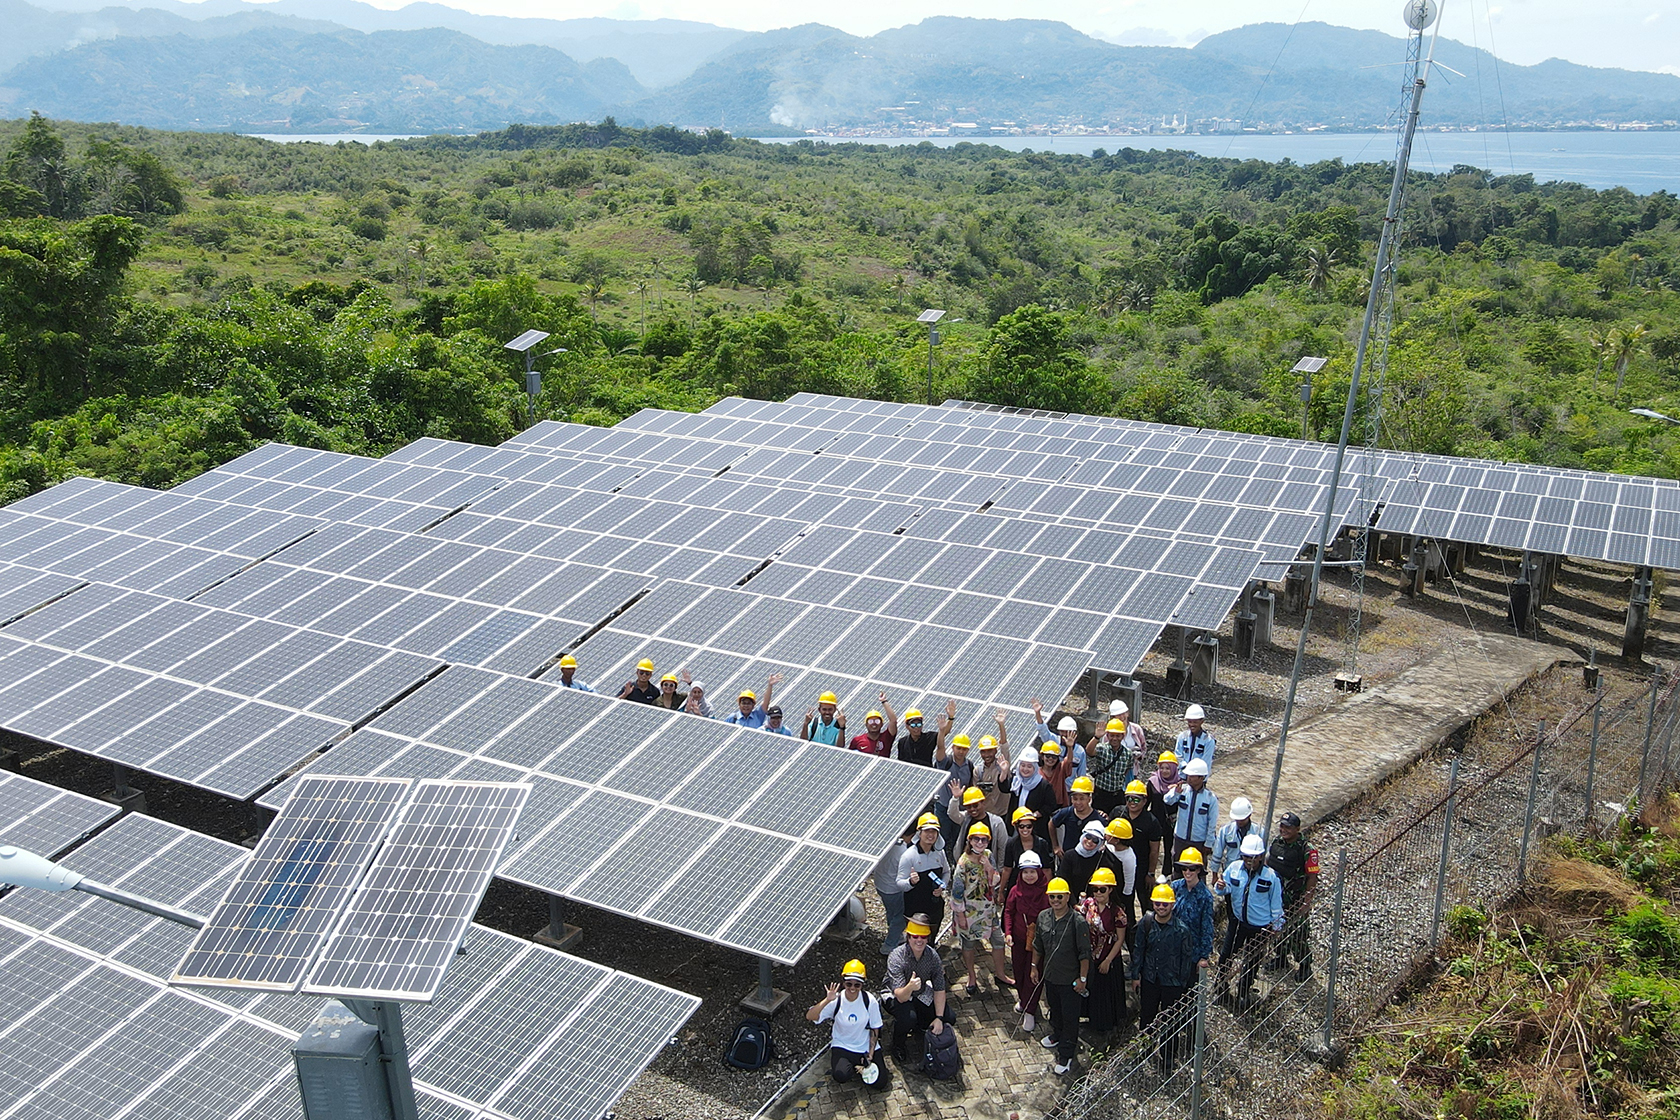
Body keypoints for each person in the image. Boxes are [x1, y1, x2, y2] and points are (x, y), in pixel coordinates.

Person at [1130, 884, 1198, 1070]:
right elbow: (1139, 950)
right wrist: (1136, 975)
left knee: (1170, 1023)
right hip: (1151, 979)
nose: (1161, 907)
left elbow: (1186, 960)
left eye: (1165, 904)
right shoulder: (1146, 923)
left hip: (1172, 984)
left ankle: (1168, 1058)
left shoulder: (1182, 930)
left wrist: (1182, 985)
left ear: (1172, 906)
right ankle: (1144, 1050)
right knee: (1147, 1018)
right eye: (1158, 903)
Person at [1215, 833, 1286, 1010]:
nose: (1249, 860)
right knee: (1226, 955)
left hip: (1260, 927)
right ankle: (1221, 986)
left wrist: (1277, 926)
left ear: (1261, 857)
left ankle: (1243, 992)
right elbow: (1224, 888)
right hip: (1238, 922)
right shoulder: (1234, 868)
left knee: (1252, 960)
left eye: (1253, 857)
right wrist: (1221, 887)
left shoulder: (1271, 877)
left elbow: (1276, 905)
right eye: (1246, 856)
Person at [1032, 876, 1090, 1076]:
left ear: (1067, 897)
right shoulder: (1043, 917)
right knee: (1054, 1009)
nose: (1055, 900)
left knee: (1070, 1017)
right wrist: (1034, 967)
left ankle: (1066, 1054)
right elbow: (1038, 944)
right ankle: (1056, 1034)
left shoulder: (1078, 922)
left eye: (1059, 897)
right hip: (1050, 976)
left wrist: (1082, 979)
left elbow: (1085, 954)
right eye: (1052, 897)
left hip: (1070, 980)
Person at [951, 822, 1011, 994]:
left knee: (998, 940)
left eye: (983, 840)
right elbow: (956, 892)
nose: (979, 843)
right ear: (969, 840)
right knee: (969, 944)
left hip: (988, 910)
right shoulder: (963, 863)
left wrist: (989, 868)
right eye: (976, 839)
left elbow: (995, 880)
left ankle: (1000, 974)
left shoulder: (988, 855)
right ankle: (971, 976)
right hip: (968, 912)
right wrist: (961, 916)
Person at [883, 914, 948, 1062]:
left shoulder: (933, 956)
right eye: (915, 936)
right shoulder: (896, 957)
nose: (919, 940)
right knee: (908, 1018)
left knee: (947, 1016)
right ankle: (898, 1044)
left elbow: (939, 988)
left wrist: (939, 1018)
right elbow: (900, 996)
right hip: (896, 995)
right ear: (908, 937)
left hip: (920, 992)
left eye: (923, 937)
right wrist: (910, 987)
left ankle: (922, 1026)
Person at [808, 959, 883, 1085]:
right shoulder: (836, 1000)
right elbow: (810, 1016)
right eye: (849, 984)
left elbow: (875, 1028)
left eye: (857, 985)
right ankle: (855, 1067)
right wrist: (827, 1000)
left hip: (864, 1046)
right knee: (841, 1075)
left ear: (862, 985)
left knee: (880, 1083)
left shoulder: (869, 1000)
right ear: (843, 983)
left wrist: (870, 1054)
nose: (852, 988)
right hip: (843, 1046)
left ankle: (861, 1066)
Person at [1266, 811, 1320, 981]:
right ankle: (1281, 958)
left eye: (1288, 827)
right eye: (1282, 826)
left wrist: (1307, 900)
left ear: (1297, 829)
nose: (1284, 830)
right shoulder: (1277, 842)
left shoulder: (1307, 850)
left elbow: (1312, 876)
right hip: (1277, 898)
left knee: (1299, 935)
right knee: (1277, 930)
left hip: (1296, 900)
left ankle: (1304, 965)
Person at [1004, 850, 1050, 1032]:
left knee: (1034, 974)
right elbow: (1008, 912)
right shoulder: (1016, 890)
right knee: (1019, 972)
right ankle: (1024, 1000)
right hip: (1018, 939)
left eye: (1032, 871)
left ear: (1039, 872)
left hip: (1038, 943)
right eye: (1025, 872)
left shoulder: (1047, 892)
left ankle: (1030, 1010)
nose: (1029, 876)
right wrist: (1008, 933)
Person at [1080, 866, 1127, 1035]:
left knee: (1105, 994)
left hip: (1108, 958)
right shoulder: (1088, 904)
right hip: (1089, 956)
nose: (1098, 893)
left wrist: (1107, 960)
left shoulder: (1117, 912)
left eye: (1102, 889)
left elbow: (1120, 939)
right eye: (1095, 889)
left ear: (1110, 890)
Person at [897, 813, 949, 939]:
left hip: (934, 906)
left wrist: (942, 886)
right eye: (927, 831)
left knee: (931, 937)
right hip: (914, 907)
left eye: (934, 831)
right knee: (916, 939)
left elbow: (947, 872)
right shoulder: (909, 855)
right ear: (919, 833)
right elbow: (899, 883)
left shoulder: (940, 853)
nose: (930, 835)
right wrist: (911, 882)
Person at [1163, 758, 1219, 866]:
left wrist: (1208, 843)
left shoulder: (1210, 798)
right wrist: (1176, 793)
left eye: (1192, 776)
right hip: (1180, 839)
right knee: (1178, 867)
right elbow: (1167, 800)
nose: (1189, 778)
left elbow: (1212, 823)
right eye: (1188, 775)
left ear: (1201, 778)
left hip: (1199, 842)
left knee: (1197, 870)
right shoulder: (1181, 790)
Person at [873, 822, 915, 955]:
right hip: (893, 889)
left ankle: (895, 935)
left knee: (891, 911)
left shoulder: (888, 841)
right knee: (900, 917)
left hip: (880, 884)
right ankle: (889, 945)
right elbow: (905, 874)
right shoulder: (903, 852)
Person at [1086, 714, 1139, 817]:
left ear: (1123, 736)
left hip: (1117, 795)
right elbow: (1089, 751)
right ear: (1107, 735)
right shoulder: (1102, 748)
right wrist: (1096, 737)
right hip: (1100, 794)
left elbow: (1127, 771)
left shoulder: (1127, 754)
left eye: (1118, 735)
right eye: (1112, 735)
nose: (1115, 738)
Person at [1096, 817, 1138, 941]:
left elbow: (1129, 881)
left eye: (1109, 835)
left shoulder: (1128, 857)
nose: (1106, 835)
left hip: (1121, 893)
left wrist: (1124, 901)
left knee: (1127, 923)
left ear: (1117, 840)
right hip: (1108, 888)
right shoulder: (1109, 847)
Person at [1008, 748, 1059, 847]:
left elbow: (1051, 805)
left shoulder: (1044, 785)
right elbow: (1004, 788)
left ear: (1035, 768)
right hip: (1015, 825)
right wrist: (1004, 771)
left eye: (1029, 766)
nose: (1025, 769)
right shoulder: (1016, 781)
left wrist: (1035, 815)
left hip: (1036, 828)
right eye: (1022, 765)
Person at [1210, 797, 1263, 892]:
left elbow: (1263, 854)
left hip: (1252, 873)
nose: (1239, 822)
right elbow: (1217, 853)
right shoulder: (1226, 830)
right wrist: (1214, 875)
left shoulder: (1258, 832)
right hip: (1231, 873)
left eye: (1242, 819)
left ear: (1249, 815)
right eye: (1237, 819)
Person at [1001, 807, 1053, 898]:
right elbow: (1007, 869)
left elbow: (1046, 869)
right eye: (1022, 826)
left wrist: (1050, 891)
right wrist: (1001, 891)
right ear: (1016, 826)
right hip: (1017, 884)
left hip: (1038, 885)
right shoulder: (1011, 844)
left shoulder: (1042, 843)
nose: (1025, 829)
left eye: (1029, 826)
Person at [1050, 775, 1107, 857]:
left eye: (1082, 799)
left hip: (1089, 859)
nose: (1078, 802)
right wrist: (1055, 846)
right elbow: (1052, 824)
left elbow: (1107, 836)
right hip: (1067, 857)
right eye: (1075, 799)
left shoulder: (1098, 818)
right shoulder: (1067, 812)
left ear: (1089, 799)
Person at [1121, 779, 1164, 889]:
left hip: (1142, 866)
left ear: (1144, 801)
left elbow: (1154, 850)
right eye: (1128, 798)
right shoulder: (1118, 813)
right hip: (1121, 865)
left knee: (1145, 899)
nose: (1131, 802)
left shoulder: (1152, 822)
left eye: (1136, 799)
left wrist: (1151, 873)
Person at [945, 785, 1005, 862]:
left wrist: (999, 868)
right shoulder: (965, 818)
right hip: (966, 865)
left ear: (983, 803)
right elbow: (952, 814)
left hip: (987, 866)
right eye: (969, 807)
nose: (972, 809)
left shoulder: (997, 823)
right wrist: (955, 798)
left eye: (975, 805)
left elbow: (1002, 848)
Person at [1055, 821, 1107, 903]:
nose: (1090, 841)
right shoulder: (1069, 855)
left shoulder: (1101, 859)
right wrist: (1074, 904)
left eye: (1095, 840)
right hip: (1068, 902)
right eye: (1088, 836)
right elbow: (1063, 880)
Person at [1147, 751, 1181, 877]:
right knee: (1152, 848)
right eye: (1162, 768)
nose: (1164, 771)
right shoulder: (1153, 782)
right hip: (1155, 820)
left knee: (1169, 848)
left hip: (1171, 822)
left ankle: (1166, 873)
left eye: (1168, 768)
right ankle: (1150, 871)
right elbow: (1147, 801)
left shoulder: (1180, 784)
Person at [897, 700, 954, 767]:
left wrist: (950, 718)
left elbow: (944, 732)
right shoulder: (902, 742)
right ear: (907, 726)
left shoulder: (929, 737)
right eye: (913, 725)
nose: (916, 728)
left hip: (926, 772)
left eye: (919, 724)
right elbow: (900, 763)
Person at [975, 728, 1013, 820]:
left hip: (1003, 814)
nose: (987, 754)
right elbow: (977, 794)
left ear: (996, 751)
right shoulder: (978, 771)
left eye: (990, 751)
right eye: (983, 751)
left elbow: (1004, 746)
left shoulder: (1003, 765)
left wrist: (1001, 725)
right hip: (986, 814)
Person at [1175, 704, 1216, 772]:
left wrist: (1194, 773)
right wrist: (1184, 767)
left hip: (1198, 777)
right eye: (1190, 722)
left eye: (1195, 722)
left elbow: (1206, 761)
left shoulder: (1208, 740)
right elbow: (1178, 755)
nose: (1192, 724)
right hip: (1181, 775)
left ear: (1202, 721)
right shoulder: (1182, 737)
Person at [1037, 740, 1073, 809]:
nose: (1050, 759)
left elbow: (1068, 761)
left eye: (1054, 757)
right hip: (1043, 807)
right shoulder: (1037, 773)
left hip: (1059, 806)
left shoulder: (1061, 769)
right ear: (1042, 757)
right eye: (1048, 756)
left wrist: (1070, 748)